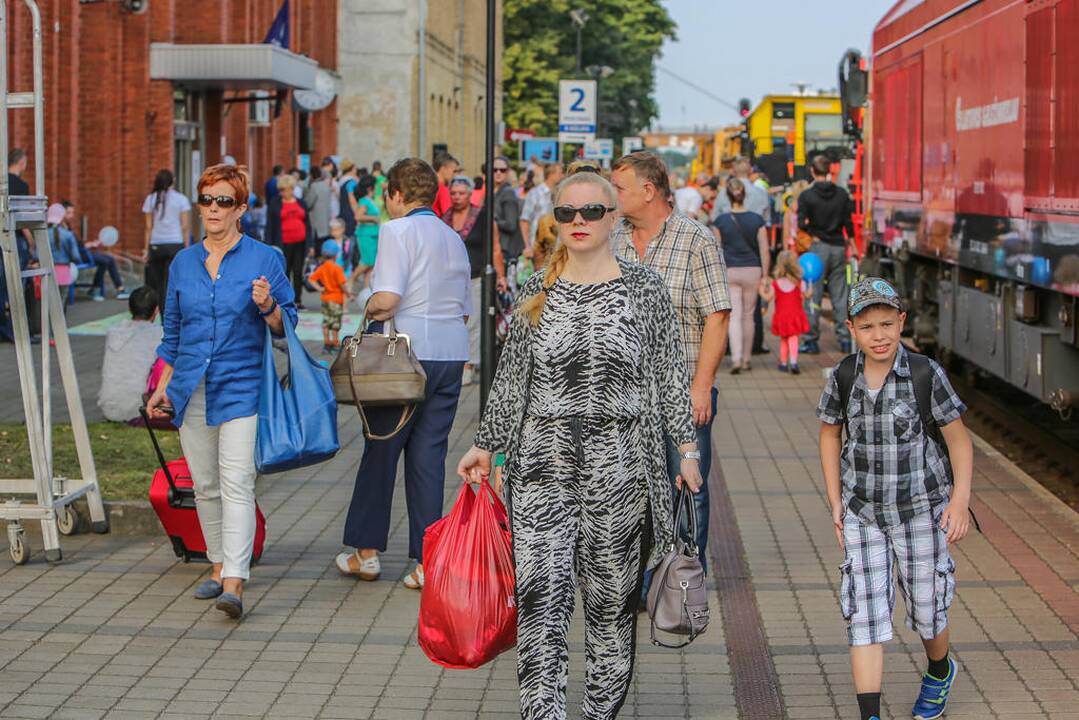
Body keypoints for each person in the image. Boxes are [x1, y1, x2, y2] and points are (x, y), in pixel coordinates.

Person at [456, 171, 703, 719]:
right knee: (541, 602)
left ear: (613, 217)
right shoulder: (536, 288)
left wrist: (686, 448)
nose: (578, 223)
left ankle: (599, 713)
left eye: (591, 212)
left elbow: (668, 372)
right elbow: (512, 377)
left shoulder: (645, 289)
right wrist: (487, 445)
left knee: (610, 607)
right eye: (567, 213)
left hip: (621, 471)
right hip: (541, 468)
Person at [817, 277, 973, 720]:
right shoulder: (844, 376)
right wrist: (835, 502)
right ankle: (870, 714)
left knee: (927, 608)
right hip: (863, 513)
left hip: (922, 511)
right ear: (850, 328)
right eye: (868, 327)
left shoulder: (925, 373)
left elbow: (960, 443)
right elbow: (830, 436)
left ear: (902, 320)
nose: (879, 335)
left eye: (888, 324)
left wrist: (959, 502)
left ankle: (940, 670)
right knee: (864, 615)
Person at [146, 163, 297, 620]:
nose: (213, 209)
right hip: (191, 387)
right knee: (206, 485)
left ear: (242, 209)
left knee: (236, 482)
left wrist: (268, 306)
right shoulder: (183, 262)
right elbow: (172, 333)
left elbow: (288, 320)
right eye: (207, 200)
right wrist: (160, 385)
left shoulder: (264, 258)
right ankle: (216, 563)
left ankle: (234, 580)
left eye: (224, 201)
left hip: (243, 386)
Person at [335, 158, 471, 590]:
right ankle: (426, 560)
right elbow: (465, 308)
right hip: (450, 355)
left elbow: (388, 299)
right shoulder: (453, 238)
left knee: (381, 449)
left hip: (403, 356)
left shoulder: (397, 231)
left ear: (395, 194)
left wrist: (365, 302)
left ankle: (367, 552)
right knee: (429, 458)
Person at [610, 152, 730, 572]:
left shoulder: (696, 240)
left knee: (687, 483)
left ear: (648, 191)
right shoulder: (614, 238)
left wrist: (701, 385)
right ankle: (640, 580)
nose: (612, 195)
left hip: (682, 391)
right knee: (633, 488)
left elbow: (717, 315)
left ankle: (684, 578)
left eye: (619, 188)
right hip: (623, 391)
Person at [800, 154, 856, 354]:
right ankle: (845, 340)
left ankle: (811, 340)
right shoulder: (841, 194)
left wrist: (812, 234)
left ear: (813, 171)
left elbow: (801, 223)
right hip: (839, 248)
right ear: (830, 171)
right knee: (840, 295)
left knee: (813, 293)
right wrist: (853, 246)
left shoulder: (806, 196)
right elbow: (848, 224)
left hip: (818, 249)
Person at [712, 177, 770, 374]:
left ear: (727, 197)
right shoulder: (757, 220)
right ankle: (746, 359)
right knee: (749, 315)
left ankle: (735, 358)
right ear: (744, 195)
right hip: (753, 270)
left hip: (729, 270)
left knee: (734, 316)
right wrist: (766, 275)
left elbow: (717, 250)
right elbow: (764, 250)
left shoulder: (720, 221)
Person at [442, 175, 488, 385]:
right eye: (454, 193)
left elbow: (493, 244)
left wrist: (500, 275)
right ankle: (453, 362)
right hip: (450, 278)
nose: (457, 197)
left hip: (475, 275)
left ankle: (468, 365)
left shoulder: (481, 215)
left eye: (461, 193)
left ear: (470, 195)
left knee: (473, 321)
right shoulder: (445, 218)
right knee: (452, 320)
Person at [98, 286, 163, 423]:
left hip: (109, 406)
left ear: (129, 309)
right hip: (141, 409)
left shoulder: (113, 332)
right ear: (157, 310)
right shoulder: (160, 335)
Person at [142, 169, 191, 314]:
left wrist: (146, 249)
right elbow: (185, 227)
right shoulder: (181, 199)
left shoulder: (150, 199)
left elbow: (148, 227)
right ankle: (168, 317)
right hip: (175, 244)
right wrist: (186, 248)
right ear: (173, 181)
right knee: (170, 283)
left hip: (156, 245)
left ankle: (153, 314)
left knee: (156, 284)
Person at [265, 173, 313, 308]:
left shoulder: (301, 202)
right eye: (282, 190)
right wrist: (269, 245)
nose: (285, 192)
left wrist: (310, 244)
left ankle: (298, 300)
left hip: (300, 242)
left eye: (288, 189)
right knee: (284, 272)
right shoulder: (275, 203)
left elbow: (308, 224)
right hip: (282, 243)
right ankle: (285, 299)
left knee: (298, 272)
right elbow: (270, 226)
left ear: (292, 189)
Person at [66, 201, 129, 301]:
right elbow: (75, 248)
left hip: (83, 252)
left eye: (72, 213)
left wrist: (92, 244)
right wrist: (90, 245)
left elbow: (79, 245)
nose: (71, 215)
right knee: (107, 260)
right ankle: (117, 289)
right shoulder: (63, 230)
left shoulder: (68, 228)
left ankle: (96, 289)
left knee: (108, 259)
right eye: (69, 213)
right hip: (79, 255)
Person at [759, 250, 810, 373]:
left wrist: (761, 290)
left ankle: (783, 363)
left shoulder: (776, 284)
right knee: (794, 339)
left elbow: (768, 297)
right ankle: (793, 362)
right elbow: (806, 296)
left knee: (783, 340)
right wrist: (810, 292)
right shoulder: (799, 283)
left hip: (781, 316)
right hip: (795, 315)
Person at [307, 239, 350, 353]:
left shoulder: (322, 267)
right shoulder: (337, 268)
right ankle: (335, 344)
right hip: (336, 300)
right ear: (336, 254)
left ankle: (326, 344)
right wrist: (348, 294)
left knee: (326, 322)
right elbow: (342, 285)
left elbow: (311, 279)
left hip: (325, 299)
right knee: (335, 324)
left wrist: (320, 288)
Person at [519, 162, 563, 256]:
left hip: (557, 247)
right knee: (540, 270)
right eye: (560, 173)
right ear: (551, 174)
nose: (562, 176)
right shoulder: (535, 193)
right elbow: (524, 220)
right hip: (539, 247)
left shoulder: (561, 194)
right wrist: (527, 246)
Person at [46, 203, 82, 309]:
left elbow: (36, 255)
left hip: (47, 271)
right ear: (62, 217)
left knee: (49, 300)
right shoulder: (68, 235)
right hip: (64, 270)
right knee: (61, 300)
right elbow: (75, 256)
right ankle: (60, 324)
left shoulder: (43, 234)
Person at [349, 174, 381, 291]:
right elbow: (358, 216)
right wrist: (372, 218)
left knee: (371, 266)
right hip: (365, 234)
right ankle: (351, 279)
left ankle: (366, 291)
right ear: (370, 188)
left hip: (373, 234)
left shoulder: (369, 200)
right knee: (367, 262)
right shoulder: (364, 201)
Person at [491, 156, 524, 265]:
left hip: (506, 250)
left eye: (502, 170)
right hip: (499, 248)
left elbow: (511, 225)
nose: (498, 173)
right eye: (494, 170)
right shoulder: (495, 191)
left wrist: (493, 221)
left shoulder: (508, 192)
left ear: (508, 172)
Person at [305, 166, 333, 255]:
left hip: (316, 220)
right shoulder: (326, 186)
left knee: (318, 247)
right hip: (326, 219)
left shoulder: (314, 187)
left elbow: (308, 203)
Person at [337, 160, 361, 239]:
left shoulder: (340, 181)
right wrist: (358, 214)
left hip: (342, 211)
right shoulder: (352, 183)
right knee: (351, 239)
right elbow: (353, 201)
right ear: (353, 168)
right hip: (351, 214)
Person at [431, 152, 459, 218]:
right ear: (443, 168)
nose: (455, 175)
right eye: (454, 171)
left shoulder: (428, 185)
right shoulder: (442, 189)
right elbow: (449, 214)